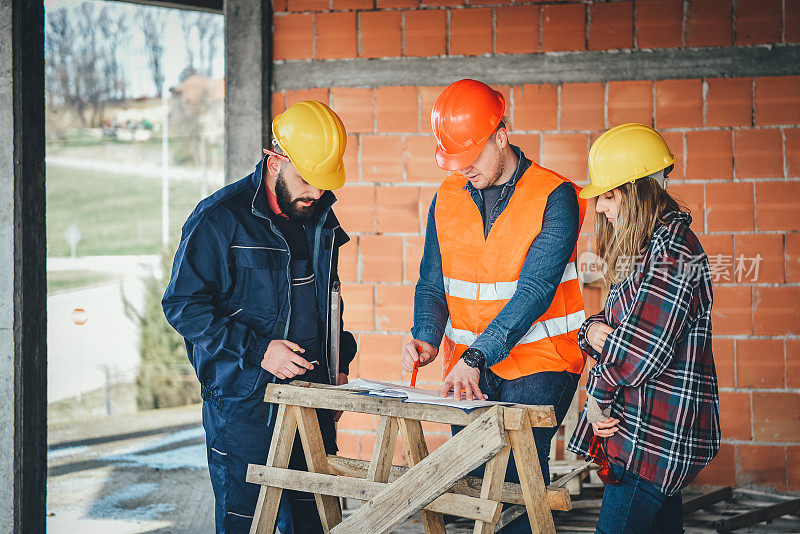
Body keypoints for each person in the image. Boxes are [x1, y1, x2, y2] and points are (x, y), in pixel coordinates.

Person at [162, 100, 358, 534]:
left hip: (312, 401)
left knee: (316, 523)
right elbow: (182, 306)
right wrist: (257, 351)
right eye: (307, 179)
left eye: (324, 183)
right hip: (245, 407)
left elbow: (329, 301)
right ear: (275, 160)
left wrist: (337, 360)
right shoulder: (219, 220)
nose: (317, 192)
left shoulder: (320, 218)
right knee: (249, 526)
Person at [401, 79, 587, 533]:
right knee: (470, 480)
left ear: (501, 136)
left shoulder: (554, 195)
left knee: (515, 483)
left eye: (471, 158)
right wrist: (425, 336)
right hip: (469, 367)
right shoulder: (446, 197)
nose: (463, 169)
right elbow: (432, 282)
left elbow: (536, 290)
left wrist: (476, 355)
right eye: (456, 160)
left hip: (540, 364)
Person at [567, 123, 720, 534]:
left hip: (650, 438)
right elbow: (612, 322)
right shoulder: (646, 247)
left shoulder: (672, 253)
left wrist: (597, 400)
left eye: (608, 194)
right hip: (645, 430)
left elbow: (639, 354)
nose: (599, 206)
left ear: (636, 191)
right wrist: (589, 333)